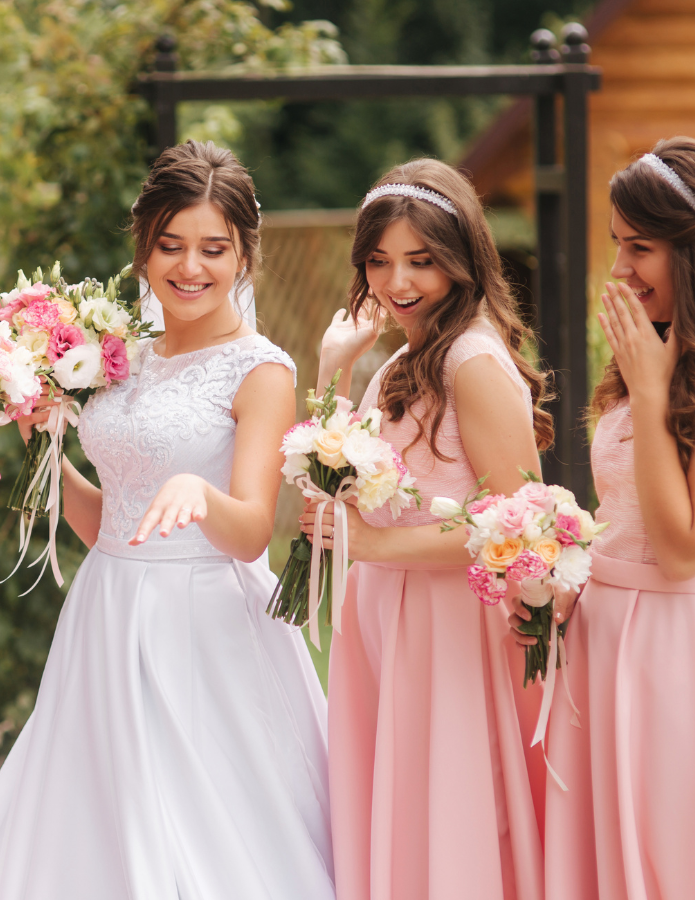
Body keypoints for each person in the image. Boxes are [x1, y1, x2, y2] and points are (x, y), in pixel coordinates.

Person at [0, 140, 335, 900]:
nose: (189, 267)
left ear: (244, 257)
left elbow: (254, 530)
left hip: (206, 625)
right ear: (144, 248)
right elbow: (110, 523)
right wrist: (42, 444)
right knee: (104, 818)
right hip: (107, 607)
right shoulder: (120, 355)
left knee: (207, 831)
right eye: (171, 245)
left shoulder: (260, 370)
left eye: (213, 249)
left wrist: (201, 491)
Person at [306, 159, 553, 900]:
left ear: (461, 259)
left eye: (420, 261)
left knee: (452, 819)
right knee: (402, 814)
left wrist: (376, 545)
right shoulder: (402, 363)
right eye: (379, 262)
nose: (396, 281)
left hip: (448, 624)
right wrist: (332, 368)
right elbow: (325, 486)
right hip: (387, 616)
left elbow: (525, 525)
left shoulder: (471, 360)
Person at [540, 138, 695, 900]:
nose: (621, 270)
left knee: (666, 847)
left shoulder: (658, 372)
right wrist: (568, 563)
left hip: (670, 648)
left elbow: (679, 552)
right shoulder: (648, 353)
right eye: (616, 246)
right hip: (598, 637)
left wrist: (655, 392)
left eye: (642, 248)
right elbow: (624, 513)